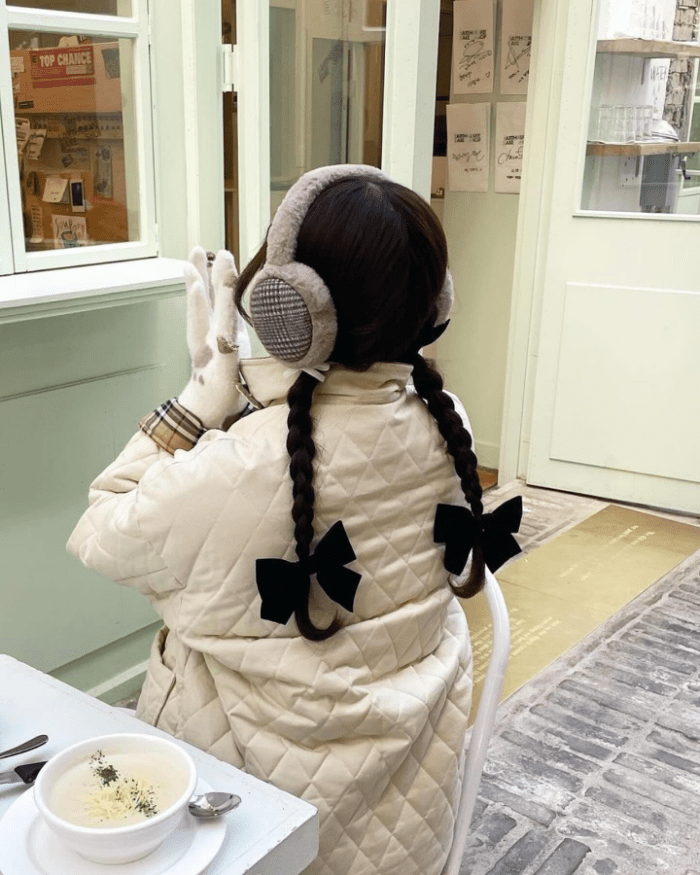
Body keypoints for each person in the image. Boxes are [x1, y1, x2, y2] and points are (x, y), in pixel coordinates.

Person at [67, 164, 522, 875]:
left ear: (290, 309)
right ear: (434, 303)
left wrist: (191, 407)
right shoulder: (447, 421)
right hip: (412, 815)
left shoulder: (246, 465)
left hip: (262, 827)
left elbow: (100, 533)